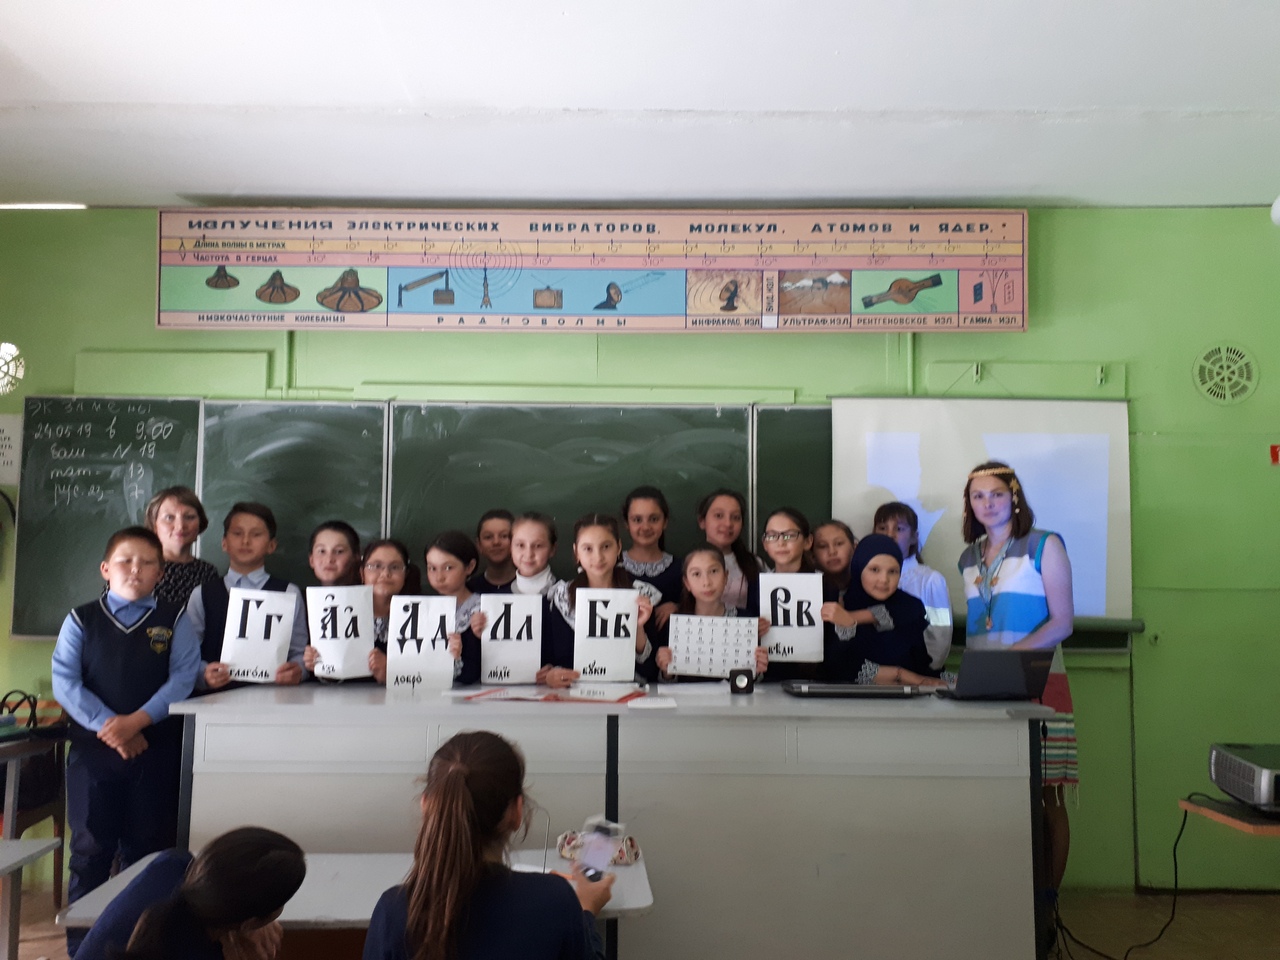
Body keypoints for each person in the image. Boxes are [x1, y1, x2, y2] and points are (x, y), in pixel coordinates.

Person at [51, 526, 200, 955]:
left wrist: (137, 721)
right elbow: (65, 681)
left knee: (148, 855)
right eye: (125, 560)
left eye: (147, 562)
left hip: (155, 752)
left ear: (160, 573)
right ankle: (83, 949)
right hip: (93, 755)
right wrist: (112, 727)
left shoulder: (174, 619)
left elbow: (183, 677)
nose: (136, 569)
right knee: (89, 853)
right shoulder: (81, 619)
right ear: (105, 569)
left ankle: (139, 949)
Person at [364, 732, 611, 960]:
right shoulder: (555, 900)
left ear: (426, 806)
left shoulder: (394, 912)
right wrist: (586, 913)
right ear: (517, 812)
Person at [958, 460, 1076, 895]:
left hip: (1039, 686)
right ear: (969, 504)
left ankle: (1047, 905)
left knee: (1048, 799)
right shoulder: (968, 557)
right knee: (997, 795)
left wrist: (1008, 659)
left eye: (996, 494)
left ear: (1015, 498)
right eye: (978, 496)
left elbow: (1062, 622)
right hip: (986, 691)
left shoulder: (1045, 544)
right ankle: (1008, 899)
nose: (987, 503)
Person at [76, 826, 306, 960]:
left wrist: (243, 922)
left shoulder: (171, 864)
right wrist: (241, 926)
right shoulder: (204, 951)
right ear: (250, 921)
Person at [174, 502, 308, 691]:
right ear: (224, 543)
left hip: (275, 697)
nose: (245, 541)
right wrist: (203, 674)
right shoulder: (202, 594)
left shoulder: (288, 593)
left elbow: (299, 652)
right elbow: (187, 653)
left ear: (271, 545)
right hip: (214, 700)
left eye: (256, 534)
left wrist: (299, 670)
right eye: (237, 533)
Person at [303, 538, 450, 685]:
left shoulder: (425, 616)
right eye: (376, 566)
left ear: (405, 574)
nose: (385, 573)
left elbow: (433, 676)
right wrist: (319, 664)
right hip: (346, 698)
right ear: (362, 572)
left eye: (395, 567)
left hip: (406, 698)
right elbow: (330, 676)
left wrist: (391, 673)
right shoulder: (338, 612)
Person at [540, 514, 657, 688]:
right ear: (576, 552)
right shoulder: (562, 597)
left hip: (628, 694)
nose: (598, 557)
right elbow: (558, 659)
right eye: (588, 548)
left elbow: (650, 671)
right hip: (576, 694)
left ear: (618, 547)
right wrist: (552, 675)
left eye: (606, 546)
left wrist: (638, 626)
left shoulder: (639, 595)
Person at [650, 543, 768, 683]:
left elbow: (752, 682)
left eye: (713, 571)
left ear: (726, 577)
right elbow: (666, 683)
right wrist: (666, 671)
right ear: (687, 583)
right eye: (696, 574)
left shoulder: (745, 621)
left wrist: (757, 670)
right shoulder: (673, 625)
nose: (706, 582)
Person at [873, 502, 953, 670]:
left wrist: (922, 673)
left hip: (918, 674)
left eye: (899, 529)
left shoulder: (931, 581)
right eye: (882, 528)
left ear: (914, 537)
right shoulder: (866, 578)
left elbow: (940, 636)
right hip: (876, 673)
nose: (890, 535)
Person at [423, 530, 483, 685]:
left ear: (469, 567)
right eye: (432, 568)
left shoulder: (482, 611)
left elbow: (476, 671)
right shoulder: (422, 609)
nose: (439, 577)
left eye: (448, 568)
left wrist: (456, 658)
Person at [145, 486, 220, 607]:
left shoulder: (208, 573)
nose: (180, 526)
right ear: (154, 525)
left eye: (189, 517)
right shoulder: (139, 568)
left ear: (200, 524)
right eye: (169, 517)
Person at [619, 486, 681, 628]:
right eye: (637, 519)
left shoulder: (682, 569)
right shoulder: (612, 567)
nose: (646, 527)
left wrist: (679, 607)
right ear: (627, 523)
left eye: (654, 519)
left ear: (665, 522)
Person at [695, 489, 759, 611]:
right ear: (702, 521)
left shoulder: (755, 564)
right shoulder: (688, 563)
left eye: (736, 517)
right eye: (719, 516)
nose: (728, 523)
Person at [506, 513, 560, 598]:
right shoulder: (495, 599)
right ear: (510, 547)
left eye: (538, 546)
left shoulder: (568, 596)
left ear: (552, 549)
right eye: (520, 545)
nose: (528, 554)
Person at [466, 509, 517, 594]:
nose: (496, 542)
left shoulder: (532, 588)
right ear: (479, 545)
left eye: (504, 536)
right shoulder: (468, 590)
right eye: (488, 537)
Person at [812, 519, 857, 601]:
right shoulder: (809, 589)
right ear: (812, 554)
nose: (832, 552)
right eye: (823, 546)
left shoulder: (869, 583)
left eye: (839, 543)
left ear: (854, 547)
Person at [307, 520, 361, 587]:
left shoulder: (370, 593)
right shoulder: (299, 593)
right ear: (311, 560)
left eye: (339, 551)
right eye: (322, 551)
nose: (329, 559)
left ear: (356, 557)